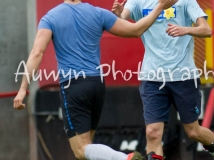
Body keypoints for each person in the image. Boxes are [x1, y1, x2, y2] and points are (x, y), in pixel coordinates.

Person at [13, 0, 178, 160]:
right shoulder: (98, 13)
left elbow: (36, 53)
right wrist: (159, 7)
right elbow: (136, 30)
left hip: (73, 86)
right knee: (88, 150)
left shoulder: (50, 17)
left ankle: (124, 158)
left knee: (81, 150)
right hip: (97, 85)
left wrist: (22, 89)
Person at [112, 0, 214, 160]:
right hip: (152, 78)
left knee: (194, 132)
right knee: (152, 133)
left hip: (184, 77)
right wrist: (118, 15)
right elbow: (121, 20)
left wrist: (186, 30)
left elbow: (207, 30)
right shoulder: (137, 1)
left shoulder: (185, 1)